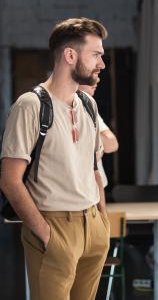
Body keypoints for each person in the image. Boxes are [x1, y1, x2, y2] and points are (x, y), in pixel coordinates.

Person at [0, 17, 110, 300]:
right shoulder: (30, 105)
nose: (102, 64)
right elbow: (10, 181)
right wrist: (46, 235)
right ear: (70, 55)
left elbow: (94, 167)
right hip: (53, 227)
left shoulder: (89, 104)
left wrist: (102, 222)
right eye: (96, 54)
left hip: (93, 226)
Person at [79, 81, 118, 188]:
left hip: (96, 187)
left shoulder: (89, 106)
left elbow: (112, 144)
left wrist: (92, 134)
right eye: (91, 75)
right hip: (81, 189)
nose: (97, 80)